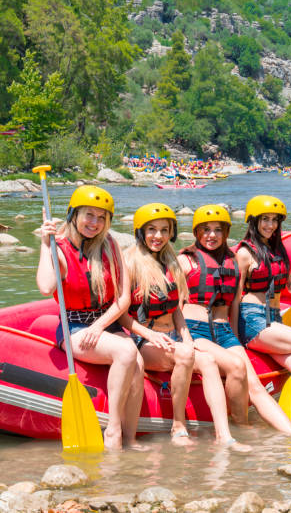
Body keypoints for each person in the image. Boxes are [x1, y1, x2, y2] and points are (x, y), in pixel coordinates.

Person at [122, 203, 250, 450]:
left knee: (209, 362)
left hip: (172, 336)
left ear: (172, 232)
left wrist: (186, 336)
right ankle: (178, 425)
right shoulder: (130, 263)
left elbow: (175, 309)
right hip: (144, 339)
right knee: (184, 353)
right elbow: (123, 316)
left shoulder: (170, 261)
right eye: (151, 230)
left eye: (164, 230)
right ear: (140, 232)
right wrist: (151, 335)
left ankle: (224, 436)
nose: (158, 236)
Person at [36, 185, 145, 451]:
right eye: (89, 215)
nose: (94, 223)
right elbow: (45, 286)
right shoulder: (59, 248)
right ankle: (113, 429)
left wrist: (99, 326)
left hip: (104, 321)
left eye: (101, 218)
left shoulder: (109, 245)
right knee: (126, 351)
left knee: (138, 364)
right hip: (73, 325)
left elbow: (123, 300)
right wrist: (44, 244)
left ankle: (130, 438)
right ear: (74, 214)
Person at [178, 205, 291, 436]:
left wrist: (237, 342)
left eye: (217, 230)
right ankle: (242, 427)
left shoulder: (232, 261)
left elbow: (234, 305)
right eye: (205, 229)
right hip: (196, 331)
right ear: (196, 232)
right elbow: (176, 306)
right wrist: (181, 339)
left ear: (225, 232)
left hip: (225, 332)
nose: (211, 235)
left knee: (255, 387)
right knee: (236, 366)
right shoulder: (185, 261)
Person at [233, 195, 291, 413]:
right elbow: (235, 299)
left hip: (274, 319)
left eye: (275, 220)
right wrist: (236, 341)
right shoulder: (244, 254)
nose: (270, 225)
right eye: (265, 219)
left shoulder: (279, 250)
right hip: (253, 320)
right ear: (253, 221)